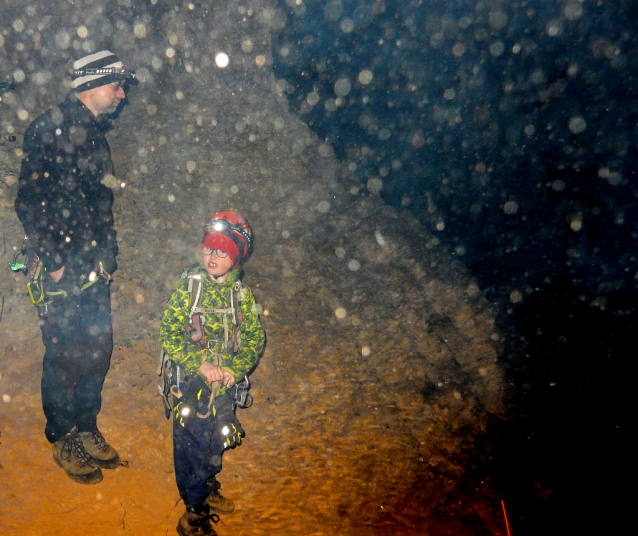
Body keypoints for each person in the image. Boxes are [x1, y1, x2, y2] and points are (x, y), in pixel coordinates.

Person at [14, 50, 136, 484]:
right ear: (92, 83)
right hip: (63, 264)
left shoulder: (94, 134)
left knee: (97, 349)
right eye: (117, 85)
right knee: (64, 353)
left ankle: (86, 426)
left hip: (94, 264)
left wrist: (109, 255)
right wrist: (56, 261)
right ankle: (62, 434)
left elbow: (102, 200)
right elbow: (28, 202)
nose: (122, 94)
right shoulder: (49, 129)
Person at [160, 211, 265, 536]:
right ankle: (193, 512)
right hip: (191, 384)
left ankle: (205, 483)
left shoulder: (241, 296)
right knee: (191, 445)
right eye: (208, 249)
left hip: (225, 388)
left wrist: (234, 369)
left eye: (222, 251)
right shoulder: (189, 289)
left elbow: (254, 338)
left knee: (215, 441)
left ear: (235, 257)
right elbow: (169, 332)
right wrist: (199, 364)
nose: (212, 256)